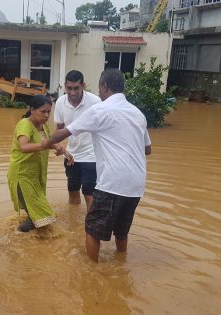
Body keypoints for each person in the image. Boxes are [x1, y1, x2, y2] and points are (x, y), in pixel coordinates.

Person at [43, 69, 152, 262]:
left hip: (112, 181)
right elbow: (147, 149)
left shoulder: (99, 109)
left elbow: (62, 133)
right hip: (136, 185)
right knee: (121, 230)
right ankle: (120, 263)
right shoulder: (137, 113)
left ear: (104, 87)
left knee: (92, 229)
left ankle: (91, 272)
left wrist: (42, 143)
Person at [7, 95, 64, 232]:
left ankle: (23, 238)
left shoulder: (44, 127)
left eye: (49, 112)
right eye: (43, 111)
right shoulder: (25, 125)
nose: (46, 115)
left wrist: (62, 150)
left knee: (37, 214)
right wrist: (47, 145)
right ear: (32, 110)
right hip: (22, 176)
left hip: (36, 175)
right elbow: (23, 147)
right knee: (42, 213)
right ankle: (19, 237)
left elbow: (50, 141)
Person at [54, 70, 102, 211]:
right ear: (64, 86)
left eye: (76, 88)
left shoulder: (96, 102)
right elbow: (59, 130)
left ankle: (92, 228)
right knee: (73, 191)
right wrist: (58, 147)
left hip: (92, 156)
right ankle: (73, 223)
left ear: (83, 86)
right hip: (71, 155)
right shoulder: (60, 102)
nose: (73, 93)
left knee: (89, 193)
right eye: (69, 88)